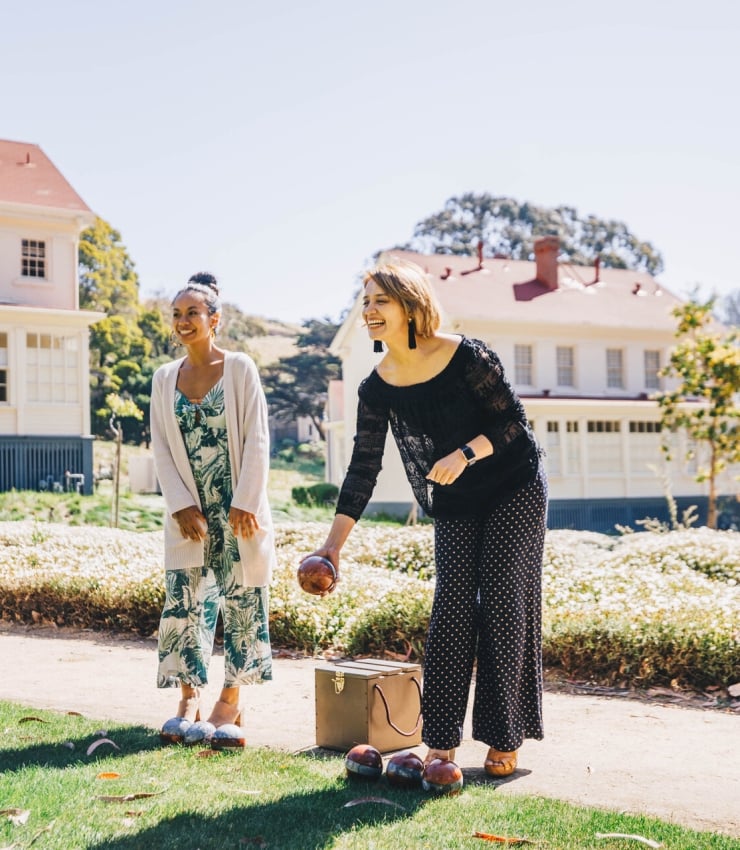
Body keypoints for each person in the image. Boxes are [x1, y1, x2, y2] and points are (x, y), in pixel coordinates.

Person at [308, 260, 548, 776]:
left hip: (513, 484)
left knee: (503, 601)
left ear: (411, 306)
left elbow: (514, 424)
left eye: (380, 301)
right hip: (457, 500)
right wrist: (332, 546)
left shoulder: (466, 356)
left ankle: (503, 738)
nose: (369, 311)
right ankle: (439, 740)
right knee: (452, 607)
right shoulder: (377, 387)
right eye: (365, 302)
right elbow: (363, 467)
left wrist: (463, 453)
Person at [150, 272, 276, 745]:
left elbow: (257, 439)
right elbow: (161, 446)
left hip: (238, 510)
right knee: (184, 602)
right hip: (190, 514)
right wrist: (181, 505)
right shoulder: (165, 379)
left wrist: (246, 501)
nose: (183, 322)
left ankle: (230, 704)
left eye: (193, 314)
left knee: (243, 603)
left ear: (215, 319)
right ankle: (187, 700)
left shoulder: (240, 368)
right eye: (177, 314)